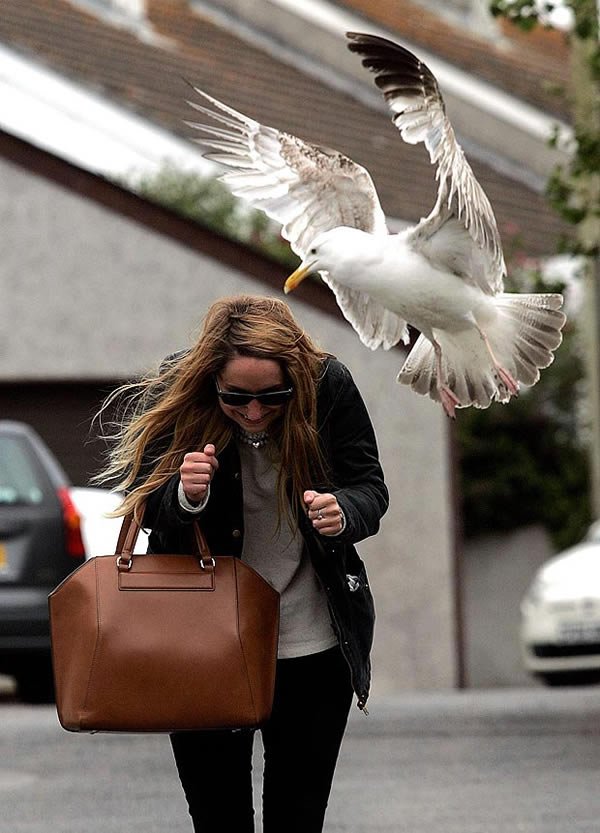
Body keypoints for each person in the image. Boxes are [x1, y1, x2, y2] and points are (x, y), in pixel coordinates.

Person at [97, 295, 388, 833]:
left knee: (297, 819)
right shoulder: (177, 389)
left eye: (272, 396)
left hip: (312, 648)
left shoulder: (329, 388)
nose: (254, 412)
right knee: (218, 819)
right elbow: (147, 505)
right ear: (212, 381)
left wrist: (342, 511)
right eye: (237, 397)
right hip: (205, 650)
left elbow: (370, 488)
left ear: (295, 378)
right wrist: (185, 497)